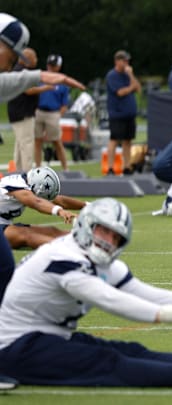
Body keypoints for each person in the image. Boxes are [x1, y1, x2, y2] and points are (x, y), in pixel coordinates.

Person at [0, 198, 172, 388]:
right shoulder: (62, 256)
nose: (108, 241)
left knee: (132, 350)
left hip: (46, 337)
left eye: (116, 237)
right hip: (14, 349)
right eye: (103, 231)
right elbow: (113, 301)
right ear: (86, 225)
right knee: (106, 361)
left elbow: (151, 295)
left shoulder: (98, 260)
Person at [0, 12, 84, 391]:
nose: (13, 60)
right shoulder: (19, 185)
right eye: (11, 52)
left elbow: (13, 82)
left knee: (5, 271)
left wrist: (50, 77)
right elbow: (36, 202)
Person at [0, 166, 87, 250]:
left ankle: (86, 241)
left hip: (4, 224)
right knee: (27, 235)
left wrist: (89, 205)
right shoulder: (16, 185)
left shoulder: (30, 184)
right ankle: (66, 248)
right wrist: (59, 211)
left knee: (51, 231)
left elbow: (60, 200)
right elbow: (37, 202)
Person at [7, 47, 51, 172]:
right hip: (22, 113)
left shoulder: (18, 70)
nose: (36, 60)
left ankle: (18, 172)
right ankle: (27, 174)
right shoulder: (21, 72)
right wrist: (46, 87)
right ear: (26, 58)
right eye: (34, 57)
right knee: (27, 144)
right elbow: (28, 90)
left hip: (19, 112)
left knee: (20, 145)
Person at [105, 49, 141, 176]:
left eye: (127, 61)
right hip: (117, 113)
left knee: (128, 140)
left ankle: (127, 166)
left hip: (129, 114)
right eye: (124, 61)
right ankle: (110, 168)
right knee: (114, 140)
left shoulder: (127, 75)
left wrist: (131, 75)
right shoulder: (112, 76)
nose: (126, 63)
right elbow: (120, 92)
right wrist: (131, 87)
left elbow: (138, 88)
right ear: (117, 61)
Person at [34, 54, 70, 171]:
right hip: (39, 110)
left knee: (56, 141)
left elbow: (64, 104)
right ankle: (38, 167)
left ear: (58, 67)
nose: (51, 67)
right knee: (37, 141)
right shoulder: (41, 78)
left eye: (53, 65)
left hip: (53, 113)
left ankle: (65, 168)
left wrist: (59, 115)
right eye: (49, 65)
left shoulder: (62, 82)